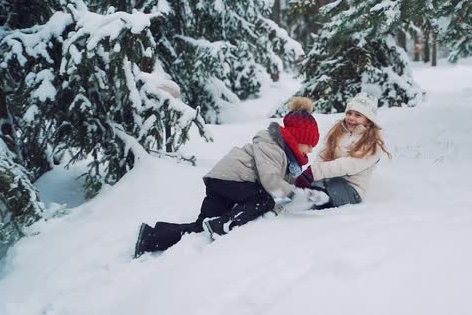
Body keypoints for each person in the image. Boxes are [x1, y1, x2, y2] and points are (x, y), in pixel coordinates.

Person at [134, 97, 329, 258]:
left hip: (222, 181)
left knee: (201, 226)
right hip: (229, 181)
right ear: (296, 138)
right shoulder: (273, 147)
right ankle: (225, 224)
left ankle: (150, 237)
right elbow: (271, 182)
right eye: (309, 144)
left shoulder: (285, 157)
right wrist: (296, 199)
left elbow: (281, 186)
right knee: (264, 199)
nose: (311, 149)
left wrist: (296, 198)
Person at [294, 93, 391, 209]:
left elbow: (349, 165)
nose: (351, 118)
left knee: (320, 198)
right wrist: (309, 175)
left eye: (358, 115)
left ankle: (316, 200)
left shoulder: (373, 142)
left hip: (351, 188)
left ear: (369, 121)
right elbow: (323, 156)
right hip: (328, 179)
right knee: (304, 191)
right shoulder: (338, 132)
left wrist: (314, 172)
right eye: (349, 113)